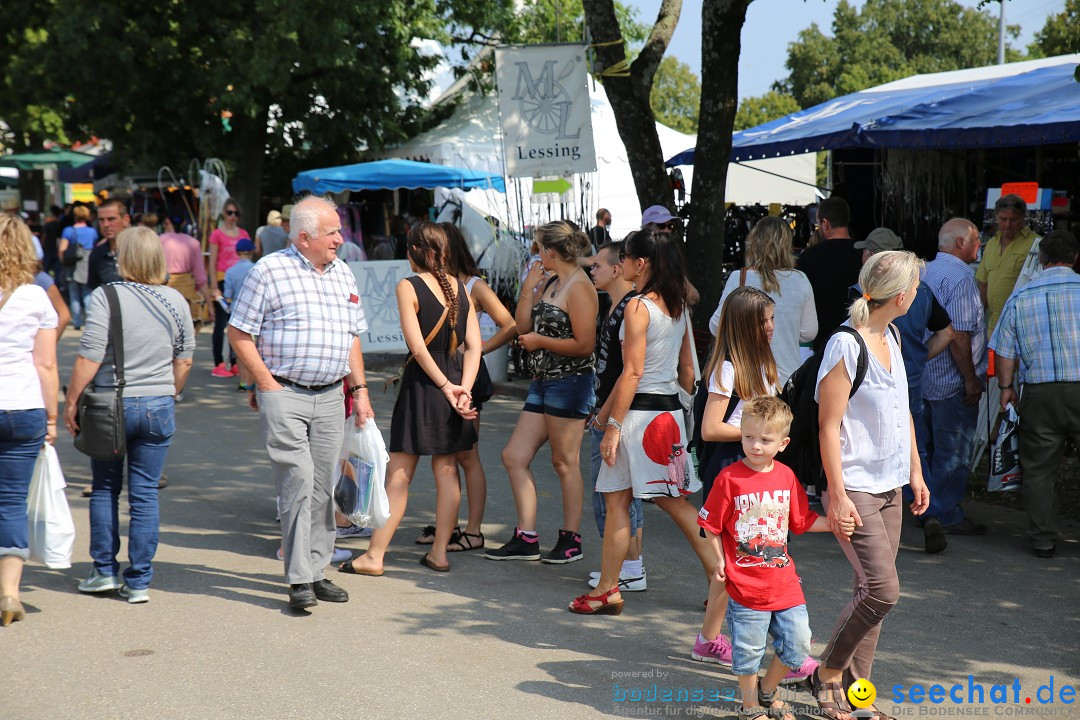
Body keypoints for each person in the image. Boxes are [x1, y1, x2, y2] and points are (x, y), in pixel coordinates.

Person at [227, 196, 373, 610]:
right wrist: (267, 385)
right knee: (298, 482)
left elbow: (351, 338)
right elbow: (239, 333)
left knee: (325, 487)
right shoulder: (269, 271)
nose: (340, 239)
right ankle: (297, 580)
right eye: (333, 233)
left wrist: (359, 391)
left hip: (331, 395)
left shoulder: (343, 272)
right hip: (285, 393)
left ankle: (316, 570)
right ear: (305, 237)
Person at [813, 250, 930, 720]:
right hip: (855, 484)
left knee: (870, 593)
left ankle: (858, 698)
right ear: (901, 295)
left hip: (890, 484)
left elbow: (901, 410)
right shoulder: (846, 344)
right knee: (883, 591)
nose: (918, 294)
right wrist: (838, 496)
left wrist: (915, 471)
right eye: (916, 288)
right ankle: (826, 675)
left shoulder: (893, 335)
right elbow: (827, 426)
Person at [569, 228, 704, 615]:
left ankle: (720, 575)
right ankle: (611, 587)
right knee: (665, 502)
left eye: (625, 257)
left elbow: (631, 372)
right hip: (667, 414)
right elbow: (687, 369)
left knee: (624, 504)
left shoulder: (638, 306)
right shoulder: (676, 304)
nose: (621, 262)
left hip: (639, 419)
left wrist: (611, 425)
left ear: (640, 264)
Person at [698, 397, 854, 720]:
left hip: (784, 584)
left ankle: (768, 691)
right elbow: (710, 526)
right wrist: (720, 561)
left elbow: (802, 521)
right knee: (749, 651)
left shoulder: (785, 477)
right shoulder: (728, 480)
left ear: (783, 443)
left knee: (798, 645)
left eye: (765, 440)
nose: (755, 446)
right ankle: (750, 705)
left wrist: (838, 526)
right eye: (748, 437)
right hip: (745, 585)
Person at [339, 223, 480, 575]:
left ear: (415, 251)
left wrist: (446, 388)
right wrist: (463, 388)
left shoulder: (409, 285)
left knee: (399, 474)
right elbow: (474, 346)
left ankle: (375, 556)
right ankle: (440, 553)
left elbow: (417, 347)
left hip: (424, 385)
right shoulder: (462, 288)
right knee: (447, 470)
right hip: (456, 380)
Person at [65, 226, 195, 604]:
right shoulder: (176, 300)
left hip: (111, 404)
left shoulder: (106, 297)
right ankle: (139, 581)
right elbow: (184, 358)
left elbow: (89, 356)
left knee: (105, 488)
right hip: (158, 404)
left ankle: (103, 571)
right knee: (145, 495)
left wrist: (72, 401)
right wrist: (168, 391)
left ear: (123, 258)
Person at [486, 221, 597, 563]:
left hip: (570, 383)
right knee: (514, 455)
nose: (535, 254)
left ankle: (571, 538)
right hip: (543, 380)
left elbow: (584, 344)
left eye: (538, 248)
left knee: (565, 462)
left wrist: (540, 341)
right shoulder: (549, 280)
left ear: (550, 251)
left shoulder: (580, 287)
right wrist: (527, 291)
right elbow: (522, 328)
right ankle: (527, 536)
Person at [412, 223, 517, 552]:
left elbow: (510, 324)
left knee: (466, 455)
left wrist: (479, 348)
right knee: (445, 457)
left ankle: (473, 530)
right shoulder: (428, 284)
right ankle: (450, 527)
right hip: (438, 375)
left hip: (466, 375)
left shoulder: (472, 285)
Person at [692, 286, 781, 669]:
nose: (773, 327)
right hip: (731, 470)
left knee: (743, 562)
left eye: (773, 319)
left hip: (753, 466)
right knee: (740, 562)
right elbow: (710, 428)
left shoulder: (762, 364)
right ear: (747, 326)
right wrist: (759, 434)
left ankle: (712, 640)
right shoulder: (728, 368)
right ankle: (720, 640)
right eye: (766, 321)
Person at [849, 228, 954, 532]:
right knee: (914, 445)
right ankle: (929, 511)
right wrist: (920, 358)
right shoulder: (923, 292)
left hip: (871, 379)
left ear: (872, 258)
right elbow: (947, 332)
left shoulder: (862, 293)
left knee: (870, 441)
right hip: (911, 379)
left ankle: (867, 510)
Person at [989, 229, 1080, 559]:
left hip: (1040, 393)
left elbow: (1004, 350)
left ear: (1040, 260)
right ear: (1076, 258)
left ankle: (1043, 539)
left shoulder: (1022, 297)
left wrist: (1005, 388)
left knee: (1039, 470)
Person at [0, 215, 59, 627]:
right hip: (23, 406)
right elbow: (46, 364)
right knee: (11, 501)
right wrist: (53, 417)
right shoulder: (36, 297)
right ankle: (9, 593)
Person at [920, 219, 987, 553]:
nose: (980, 246)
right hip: (950, 380)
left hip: (925, 376)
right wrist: (971, 377)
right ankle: (944, 513)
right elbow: (959, 335)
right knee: (952, 449)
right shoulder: (961, 278)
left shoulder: (925, 271)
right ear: (961, 242)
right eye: (977, 240)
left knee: (930, 448)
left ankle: (928, 509)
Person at [584, 240, 647, 592]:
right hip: (605, 409)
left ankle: (631, 567)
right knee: (616, 495)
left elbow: (630, 371)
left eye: (597, 266)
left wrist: (605, 417)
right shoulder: (612, 307)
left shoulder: (629, 309)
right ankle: (629, 565)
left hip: (617, 414)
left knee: (615, 496)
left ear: (617, 269)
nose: (592, 271)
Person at [709, 215, 817, 384]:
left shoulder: (740, 278)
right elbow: (809, 332)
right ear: (787, 245)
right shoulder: (801, 280)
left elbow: (716, 327)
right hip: (788, 377)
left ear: (754, 243)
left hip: (748, 379)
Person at [796, 197, 863, 352]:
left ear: (825, 224)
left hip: (822, 341)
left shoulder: (809, 256)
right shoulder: (863, 255)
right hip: (858, 337)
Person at [976, 194, 1039, 336]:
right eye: (1003, 219)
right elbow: (983, 285)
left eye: (1013, 220)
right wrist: (977, 319)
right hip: (994, 327)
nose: (1007, 224)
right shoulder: (991, 244)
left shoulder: (1036, 244)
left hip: (1024, 328)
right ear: (996, 217)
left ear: (1023, 218)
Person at [208, 198, 250, 378]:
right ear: (223, 214)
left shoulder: (243, 234)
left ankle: (235, 361)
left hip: (241, 281)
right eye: (229, 213)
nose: (233, 216)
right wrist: (213, 286)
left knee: (238, 323)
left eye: (236, 213)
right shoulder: (217, 234)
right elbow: (212, 261)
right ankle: (218, 362)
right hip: (222, 279)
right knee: (220, 323)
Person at [160, 215, 213, 331]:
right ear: (184, 224)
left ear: (168, 222)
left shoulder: (160, 240)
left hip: (163, 289)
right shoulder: (193, 243)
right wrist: (209, 304)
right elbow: (200, 278)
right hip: (187, 293)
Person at [58, 204, 100, 329]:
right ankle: (90, 320)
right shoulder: (92, 231)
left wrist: (64, 262)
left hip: (72, 265)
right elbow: (95, 246)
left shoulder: (68, 231)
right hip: (87, 263)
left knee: (74, 293)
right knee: (87, 293)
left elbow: (62, 248)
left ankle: (77, 321)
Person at [86, 198, 128, 291]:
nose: (106, 224)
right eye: (101, 220)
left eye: (111, 219)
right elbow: (94, 290)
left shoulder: (139, 250)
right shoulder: (97, 254)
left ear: (125, 220)